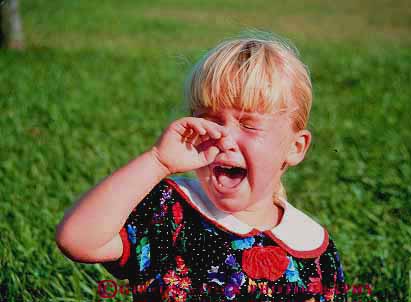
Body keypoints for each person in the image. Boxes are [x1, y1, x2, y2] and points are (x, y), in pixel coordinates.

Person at [56, 32, 347, 302]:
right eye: (211, 120)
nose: (226, 138)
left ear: (295, 147)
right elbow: (77, 240)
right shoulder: (167, 210)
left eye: (248, 124)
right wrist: (158, 161)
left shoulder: (313, 252)